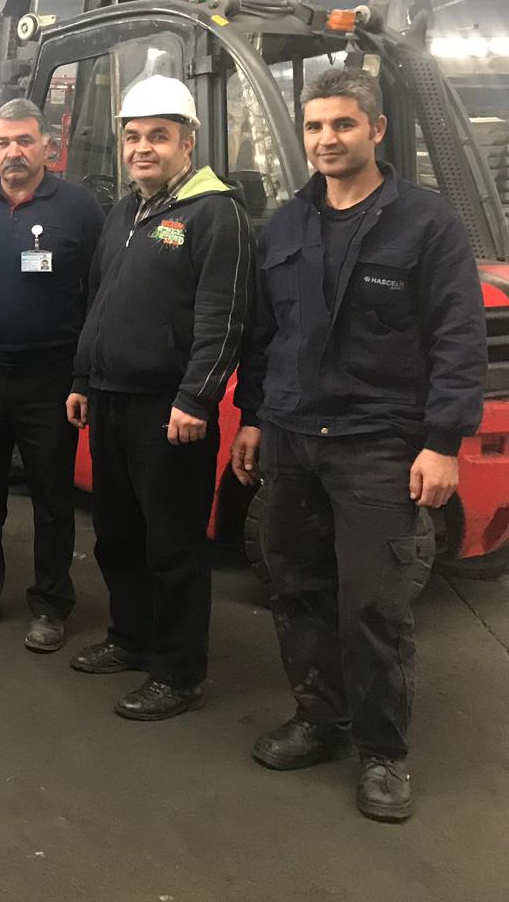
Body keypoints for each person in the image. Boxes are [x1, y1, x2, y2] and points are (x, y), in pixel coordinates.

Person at [231, 67, 485, 823]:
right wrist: (252, 415)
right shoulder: (285, 224)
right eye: (314, 126)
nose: (326, 139)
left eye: (342, 124)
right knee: (296, 587)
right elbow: (264, 333)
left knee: (373, 603)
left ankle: (382, 751)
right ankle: (319, 717)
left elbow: (457, 337)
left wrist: (443, 441)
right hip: (292, 437)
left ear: (376, 129)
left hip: (377, 442)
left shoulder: (426, 223)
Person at [66, 74, 253, 720]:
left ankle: (177, 672)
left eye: (159, 136)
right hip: (110, 399)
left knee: (172, 545)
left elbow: (224, 318)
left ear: (188, 142)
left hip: (169, 410)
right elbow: (99, 302)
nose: (143, 148)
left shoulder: (215, 213)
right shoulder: (125, 212)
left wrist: (197, 399)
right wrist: (83, 379)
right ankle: (131, 638)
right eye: (133, 136)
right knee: (117, 534)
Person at [0, 98, 103, 651]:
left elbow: (99, 292)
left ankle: (51, 604)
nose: (14, 152)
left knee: (52, 495)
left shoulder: (80, 209)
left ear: (47, 147)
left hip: (51, 374)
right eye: (3, 142)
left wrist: (83, 374)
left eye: (25, 141)